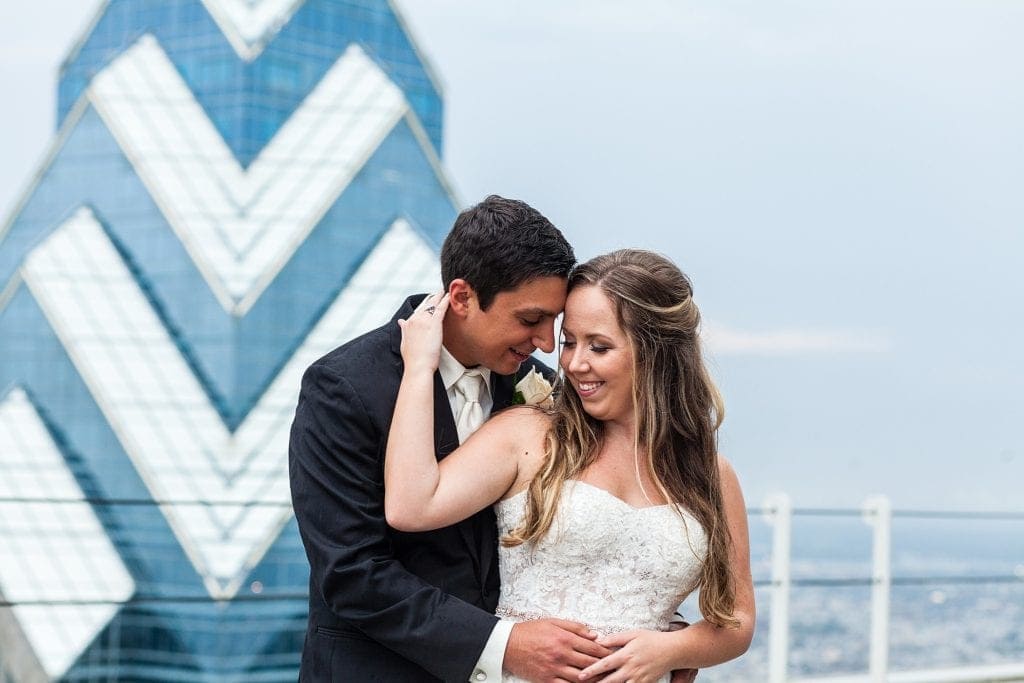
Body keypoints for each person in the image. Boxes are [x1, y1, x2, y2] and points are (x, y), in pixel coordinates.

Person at [385, 249, 756, 683]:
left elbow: (737, 620)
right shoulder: (528, 435)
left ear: (658, 354)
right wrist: (419, 368)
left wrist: (671, 649)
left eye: (599, 347)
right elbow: (410, 506)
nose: (575, 364)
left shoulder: (712, 474)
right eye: (569, 342)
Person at [289, 195, 614, 682]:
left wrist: (642, 628)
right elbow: (352, 573)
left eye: (554, 322)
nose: (547, 343)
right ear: (461, 298)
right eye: (529, 320)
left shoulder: (541, 391)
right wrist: (501, 645)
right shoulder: (343, 388)